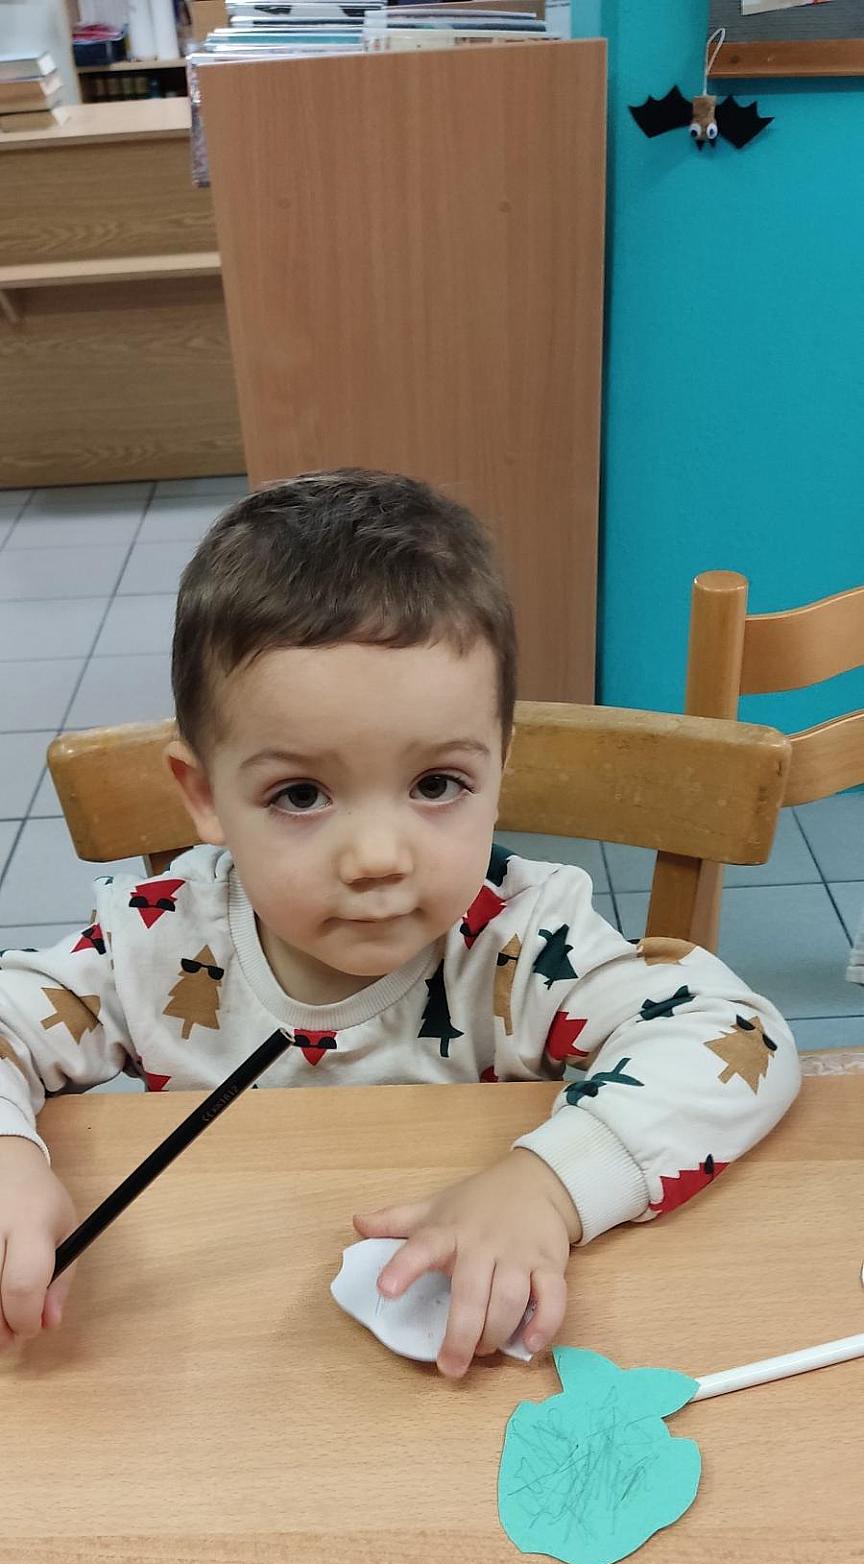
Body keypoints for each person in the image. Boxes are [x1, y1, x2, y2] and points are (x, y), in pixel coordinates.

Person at [0, 470, 800, 1372]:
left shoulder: (521, 940)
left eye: (437, 784)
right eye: (300, 794)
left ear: (499, 768)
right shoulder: (156, 940)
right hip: (206, 1365)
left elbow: (742, 1036)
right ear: (205, 795)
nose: (378, 856)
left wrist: (549, 1186)